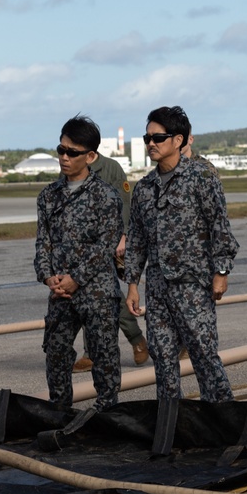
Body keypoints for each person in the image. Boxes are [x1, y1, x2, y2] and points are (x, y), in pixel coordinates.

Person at [124, 106, 238, 401]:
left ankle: (223, 421)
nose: (151, 143)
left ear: (178, 139)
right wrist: (133, 284)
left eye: (158, 137)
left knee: (203, 356)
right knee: (162, 359)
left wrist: (221, 272)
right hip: (158, 289)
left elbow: (220, 228)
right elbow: (137, 239)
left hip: (194, 285)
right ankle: (171, 427)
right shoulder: (145, 188)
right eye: (147, 137)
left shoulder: (201, 178)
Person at [34, 116, 123, 410]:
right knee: (56, 355)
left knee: (104, 358)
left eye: (72, 152)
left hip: (96, 293)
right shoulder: (49, 195)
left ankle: (108, 417)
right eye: (61, 150)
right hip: (60, 292)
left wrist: (76, 278)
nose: (64, 157)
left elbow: (105, 245)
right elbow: (43, 241)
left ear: (91, 156)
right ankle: (60, 416)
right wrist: (48, 277)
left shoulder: (105, 196)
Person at [72, 152, 149, 372]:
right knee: (88, 297)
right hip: (84, 246)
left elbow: (125, 202)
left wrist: (123, 235)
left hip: (110, 242)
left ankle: (133, 340)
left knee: (110, 295)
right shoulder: (70, 167)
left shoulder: (111, 167)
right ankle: (96, 352)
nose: (67, 155)